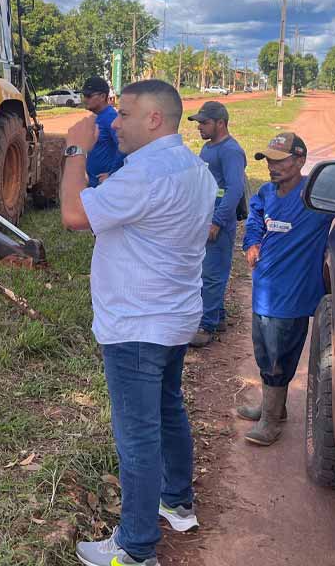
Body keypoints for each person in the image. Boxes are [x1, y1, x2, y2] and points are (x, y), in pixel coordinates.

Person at [61, 80, 218, 566]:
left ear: (154, 119)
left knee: (138, 435)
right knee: (168, 410)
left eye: (124, 114)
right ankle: (176, 501)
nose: (115, 123)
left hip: (136, 324)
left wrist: (74, 150)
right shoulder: (194, 168)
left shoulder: (147, 174)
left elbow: (71, 213)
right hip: (173, 318)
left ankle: (135, 546)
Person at [238, 132, 333, 447]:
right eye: (269, 161)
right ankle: (272, 407)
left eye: (280, 161)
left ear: (300, 160)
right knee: (264, 352)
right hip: (264, 290)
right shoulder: (265, 193)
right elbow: (254, 221)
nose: (272, 167)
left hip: (294, 295)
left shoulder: (317, 197)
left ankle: (271, 421)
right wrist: (251, 243)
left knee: (280, 357)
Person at [187, 101, 246, 347]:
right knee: (206, 270)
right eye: (199, 122)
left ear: (220, 123)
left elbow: (234, 189)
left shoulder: (230, 151)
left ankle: (207, 324)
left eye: (204, 122)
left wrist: (217, 221)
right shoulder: (208, 148)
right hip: (206, 218)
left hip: (218, 222)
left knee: (213, 274)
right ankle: (217, 315)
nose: (199, 127)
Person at [80, 76, 126, 187]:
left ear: (102, 96)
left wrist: (112, 174)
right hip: (95, 182)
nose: (85, 99)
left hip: (105, 185)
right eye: (84, 95)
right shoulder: (99, 116)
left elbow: (124, 148)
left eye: (89, 96)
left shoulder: (110, 117)